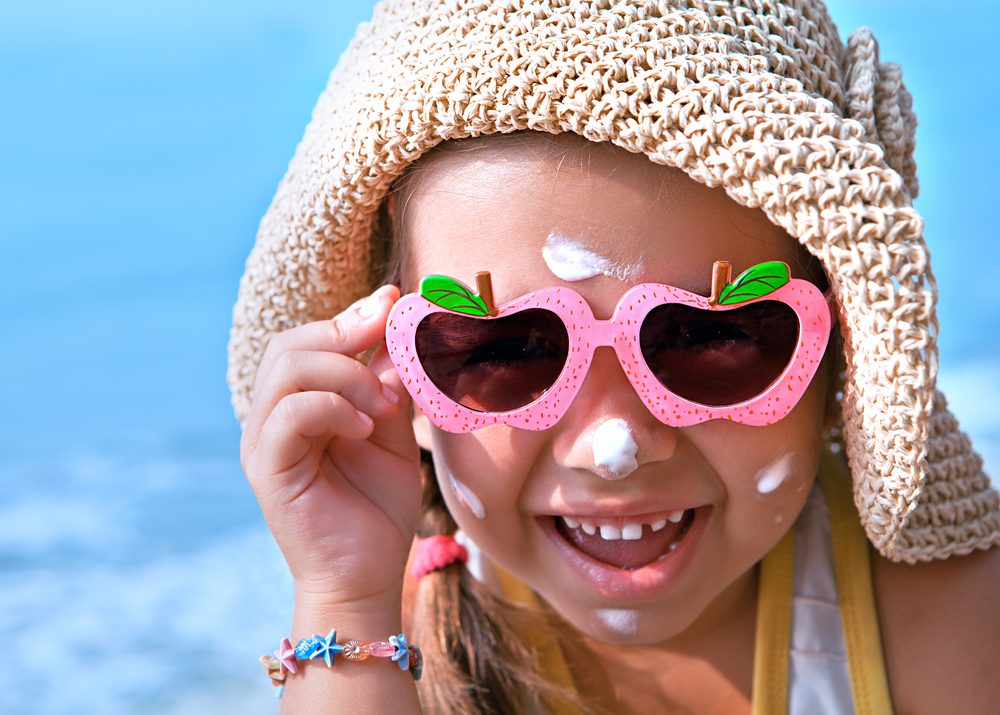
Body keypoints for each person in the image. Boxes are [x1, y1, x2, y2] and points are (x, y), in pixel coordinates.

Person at [229, 2, 999, 713]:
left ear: (840, 355)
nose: (616, 448)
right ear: (402, 379)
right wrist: (344, 598)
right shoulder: (381, 656)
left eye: (709, 337)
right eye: (503, 350)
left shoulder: (951, 622)